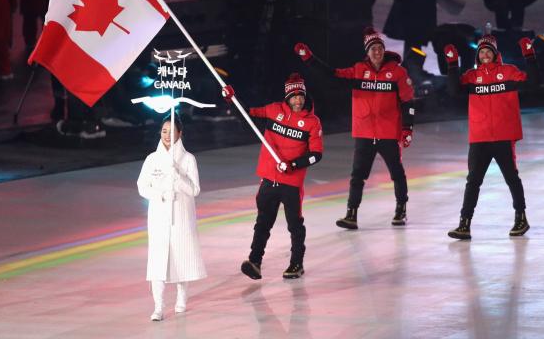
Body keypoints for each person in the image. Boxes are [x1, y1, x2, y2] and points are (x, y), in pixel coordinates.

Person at [295, 29, 415, 229]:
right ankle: (351, 214)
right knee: (358, 175)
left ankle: (401, 209)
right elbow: (332, 75)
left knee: (396, 172)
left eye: (379, 48)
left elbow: (408, 102)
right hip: (364, 133)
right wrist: (309, 59)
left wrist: (407, 129)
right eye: (373, 49)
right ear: (367, 52)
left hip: (388, 133)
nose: (376, 52)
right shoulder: (358, 70)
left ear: (384, 50)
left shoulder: (397, 73)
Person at [222, 73, 323, 280]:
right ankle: (255, 261)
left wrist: (293, 164)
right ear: (287, 97)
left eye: (300, 96)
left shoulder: (312, 122)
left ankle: (296, 264)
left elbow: (316, 155)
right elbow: (247, 115)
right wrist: (232, 100)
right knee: (263, 223)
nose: (298, 100)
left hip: (291, 184)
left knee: (294, 225)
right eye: (294, 96)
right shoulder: (273, 110)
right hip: (269, 179)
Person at [444, 34, 538, 239]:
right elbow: (454, 91)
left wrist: (529, 56)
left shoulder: (509, 72)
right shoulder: (470, 76)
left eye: (489, 51)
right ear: (478, 56)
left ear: (495, 54)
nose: (485, 55)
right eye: (482, 52)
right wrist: (452, 64)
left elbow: (533, 83)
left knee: (511, 178)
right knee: (473, 181)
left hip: (504, 137)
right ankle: (464, 224)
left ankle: (521, 218)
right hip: (480, 138)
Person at [136, 115, 206, 321]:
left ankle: (181, 298)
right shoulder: (152, 159)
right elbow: (142, 186)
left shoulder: (188, 159)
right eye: (164, 131)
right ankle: (158, 306)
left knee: (180, 258)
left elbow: (195, 190)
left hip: (181, 216)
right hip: (158, 216)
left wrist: (178, 176)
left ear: (180, 133)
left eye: (171, 131)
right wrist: (159, 194)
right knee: (158, 261)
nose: (167, 135)